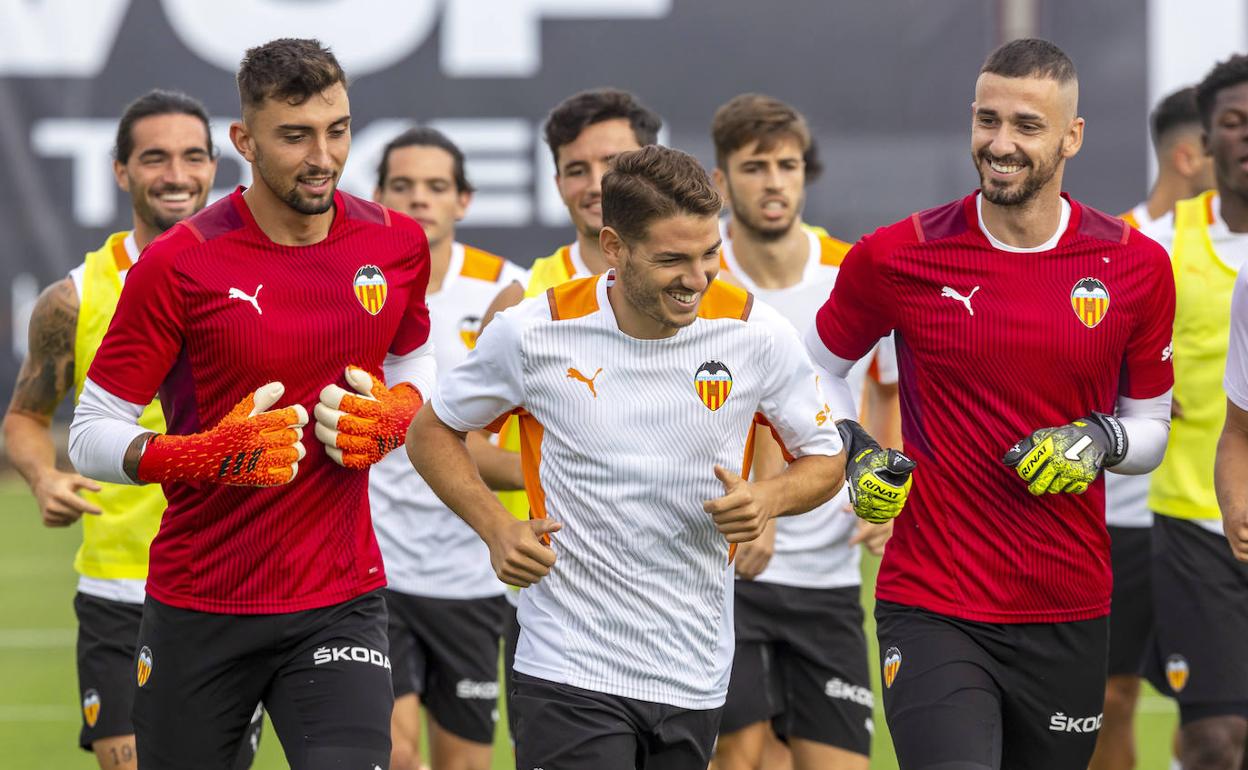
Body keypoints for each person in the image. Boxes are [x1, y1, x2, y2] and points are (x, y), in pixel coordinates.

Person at [408, 145, 846, 770]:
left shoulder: (757, 333)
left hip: (693, 668)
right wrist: (495, 527)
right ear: (614, 247)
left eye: (708, 255)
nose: (696, 280)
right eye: (671, 259)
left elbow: (825, 457)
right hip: (566, 664)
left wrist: (767, 500)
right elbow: (432, 432)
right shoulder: (534, 331)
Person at [805, 39, 1175, 769]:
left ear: (1072, 136)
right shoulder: (896, 255)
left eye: (1026, 127)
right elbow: (812, 368)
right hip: (932, 597)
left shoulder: (1134, 266)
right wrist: (851, 444)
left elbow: (1151, 427)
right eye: (987, 120)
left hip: (1068, 604)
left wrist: (1099, 442)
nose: (1000, 144)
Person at [67, 38, 436, 769]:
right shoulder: (179, 261)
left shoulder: (396, 244)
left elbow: (416, 358)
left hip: (340, 597)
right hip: (200, 604)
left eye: (337, 130)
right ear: (244, 141)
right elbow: (89, 433)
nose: (322, 156)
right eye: (295, 135)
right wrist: (198, 455)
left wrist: (398, 415)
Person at [2, 89, 264, 770]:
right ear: (120, 171)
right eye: (154, 158)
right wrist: (44, 476)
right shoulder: (75, 297)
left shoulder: (263, 279)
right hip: (122, 593)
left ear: (217, 165)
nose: (175, 174)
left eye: (191, 156)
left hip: (233, 585)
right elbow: (26, 418)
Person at [707, 93, 897, 770]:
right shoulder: (700, 281)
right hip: (725, 572)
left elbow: (887, 387)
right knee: (744, 756)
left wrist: (885, 495)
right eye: (755, 166)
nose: (775, 181)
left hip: (830, 575)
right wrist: (763, 500)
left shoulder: (853, 272)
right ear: (721, 182)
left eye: (787, 164)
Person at [477, 87, 663, 738]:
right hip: (564, 611)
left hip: (683, 603)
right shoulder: (522, 300)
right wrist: (555, 473)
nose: (594, 184)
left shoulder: (704, 286)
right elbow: (457, 442)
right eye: (575, 169)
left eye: (612, 164)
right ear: (556, 182)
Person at [369, 126, 528, 770]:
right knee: (395, 756)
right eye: (402, 186)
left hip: (472, 572)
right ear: (378, 195)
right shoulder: (354, 285)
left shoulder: (507, 292)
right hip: (374, 564)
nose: (419, 200)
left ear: (463, 200)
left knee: (464, 764)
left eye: (437, 187)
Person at [1092, 84, 1213, 770]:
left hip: (1210, 519)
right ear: (1191, 154)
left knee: (1219, 707)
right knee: (1110, 697)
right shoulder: (1116, 252)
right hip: (1124, 520)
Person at [1141, 54, 1248, 770]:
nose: (1247, 137)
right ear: (1205, 143)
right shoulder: (1159, 245)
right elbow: (1089, 348)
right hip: (1192, 520)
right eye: (1233, 123)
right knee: (1215, 738)